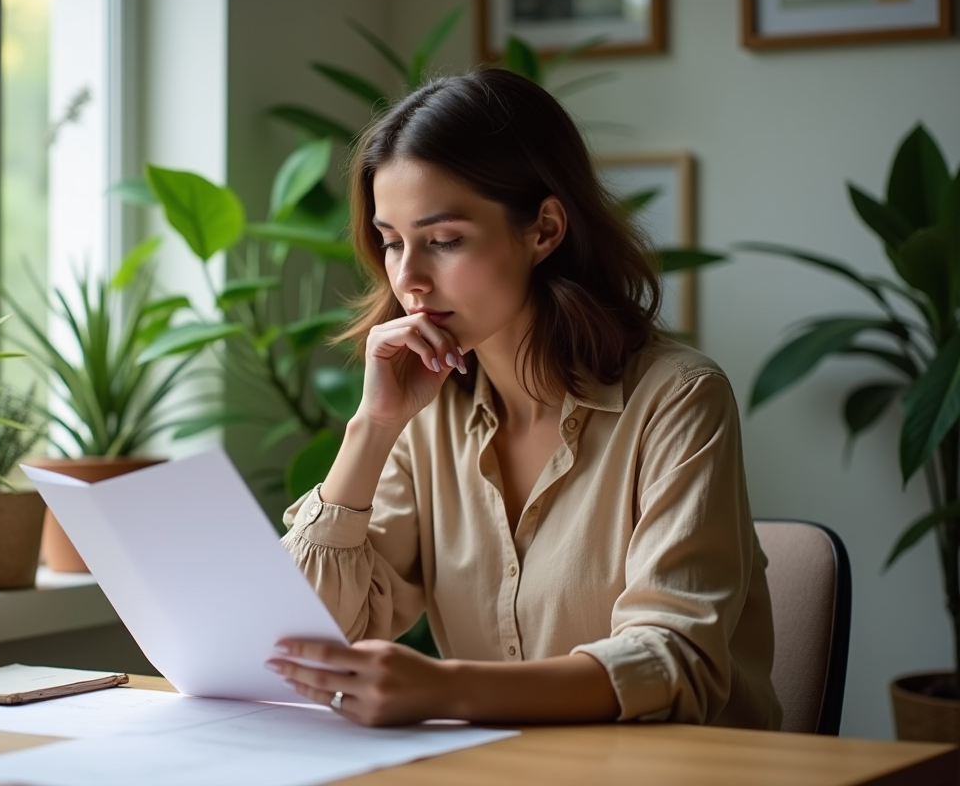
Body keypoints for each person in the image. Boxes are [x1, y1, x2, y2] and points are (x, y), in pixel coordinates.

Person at [266, 68, 782, 731]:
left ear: (543, 229)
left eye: (444, 240)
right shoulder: (425, 417)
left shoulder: (678, 400)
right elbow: (302, 637)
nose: (409, 278)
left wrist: (447, 691)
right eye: (392, 242)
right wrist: (373, 427)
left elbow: (673, 660)